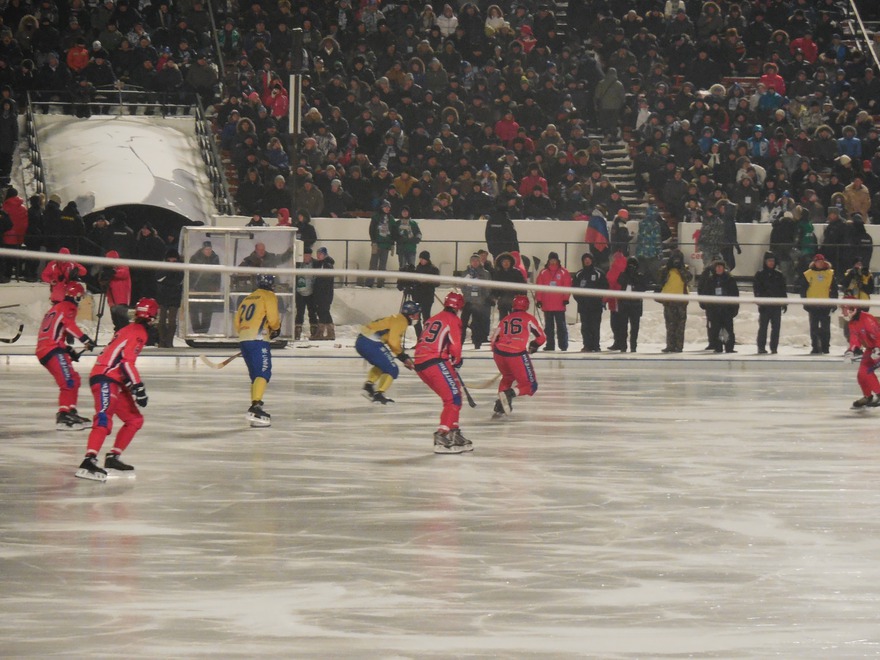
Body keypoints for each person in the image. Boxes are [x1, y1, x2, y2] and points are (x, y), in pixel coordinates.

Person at [75, 297, 157, 481]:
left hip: (111, 378)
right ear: (151, 317)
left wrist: (131, 387)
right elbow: (127, 363)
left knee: (134, 419)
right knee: (104, 418)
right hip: (105, 378)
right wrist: (138, 387)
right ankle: (88, 460)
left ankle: (113, 457)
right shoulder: (139, 332)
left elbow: (119, 361)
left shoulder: (128, 329)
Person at [414, 291, 472, 454]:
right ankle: (443, 434)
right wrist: (457, 359)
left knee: (454, 396)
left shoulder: (433, 319)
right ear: (459, 307)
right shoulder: (453, 320)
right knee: (453, 398)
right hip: (435, 362)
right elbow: (455, 344)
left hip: (421, 363)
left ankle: (453, 431)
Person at [36, 282, 96, 431]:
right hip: (52, 349)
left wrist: (68, 349)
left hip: (48, 349)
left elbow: (54, 332)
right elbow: (69, 325)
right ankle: (64, 414)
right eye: (80, 297)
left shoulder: (56, 308)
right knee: (68, 381)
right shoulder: (68, 307)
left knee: (74, 379)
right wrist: (85, 339)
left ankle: (70, 410)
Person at [234, 274, 282, 427]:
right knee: (263, 372)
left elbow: (237, 322)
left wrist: (246, 335)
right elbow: (273, 319)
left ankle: (255, 408)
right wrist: (275, 329)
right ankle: (256, 407)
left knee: (255, 376)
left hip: (244, 339)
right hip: (259, 339)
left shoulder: (248, 298)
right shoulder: (268, 296)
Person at [490, 294, 546, 419]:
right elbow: (541, 337)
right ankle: (509, 394)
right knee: (530, 385)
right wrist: (534, 345)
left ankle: (500, 404)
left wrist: (498, 352)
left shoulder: (506, 318)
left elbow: (494, 339)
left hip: (499, 353)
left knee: (508, 376)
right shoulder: (529, 318)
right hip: (516, 353)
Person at [356, 300, 421, 405]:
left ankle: (368, 386)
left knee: (382, 364)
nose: (418, 317)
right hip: (370, 342)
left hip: (361, 340)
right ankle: (379, 394)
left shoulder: (396, 318)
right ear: (411, 315)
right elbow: (393, 342)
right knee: (392, 368)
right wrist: (403, 357)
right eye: (417, 314)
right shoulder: (401, 321)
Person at [842, 299, 880, 408]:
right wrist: (851, 351)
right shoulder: (852, 323)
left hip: (877, 349)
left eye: (844, 309)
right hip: (871, 350)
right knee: (861, 375)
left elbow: (878, 335)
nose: (843, 312)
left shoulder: (867, 319)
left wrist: (878, 349)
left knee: (866, 372)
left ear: (853, 308)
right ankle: (868, 397)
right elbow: (855, 339)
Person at [698, 256, 740, 353]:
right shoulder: (710, 280)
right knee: (715, 329)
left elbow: (735, 295)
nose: (719, 269)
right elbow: (705, 293)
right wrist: (707, 306)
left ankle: (729, 347)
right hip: (714, 310)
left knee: (729, 329)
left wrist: (734, 308)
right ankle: (717, 347)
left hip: (727, 309)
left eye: (721, 267)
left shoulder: (730, 279)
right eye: (717, 267)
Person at [801, 253, 837, 354]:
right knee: (814, 327)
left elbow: (834, 289)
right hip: (813, 305)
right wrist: (805, 303)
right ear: (814, 263)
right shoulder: (808, 274)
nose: (819, 264)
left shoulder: (830, 274)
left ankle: (825, 347)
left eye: (821, 261)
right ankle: (815, 347)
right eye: (817, 262)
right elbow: (803, 289)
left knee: (826, 328)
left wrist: (834, 303)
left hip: (826, 305)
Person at [535, 251, 572, 351]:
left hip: (559, 304)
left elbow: (567, 286)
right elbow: (539, 287)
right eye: (551, 259)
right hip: (547, 305)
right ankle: (550, 345)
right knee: (548, 327)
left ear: (557, 260)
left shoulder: (564, 272)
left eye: (554, 259)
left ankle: (563, 345)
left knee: (561, 326)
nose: (553, 261)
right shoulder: (543, 272)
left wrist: (565, 298)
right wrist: (539, 299)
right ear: (549, 260)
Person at [753, 251, 788, 354]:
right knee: (763, 327)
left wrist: (784, 302)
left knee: (776, 328)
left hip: (776, 305)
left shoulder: (779, 275)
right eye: (769, 261)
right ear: (765, 261)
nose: (771, 263)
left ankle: (774, 347)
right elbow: (756, 290)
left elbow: (783, 290)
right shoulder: (760, 274)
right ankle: (761, 347)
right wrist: (759, 301)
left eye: (773, 260)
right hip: (765, 306)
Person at [659, 249, 693, 353]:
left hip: (681, 301)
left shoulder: (685, 269)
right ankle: (670, 345)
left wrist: (681, 269)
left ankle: (679, 346)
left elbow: (688, 278)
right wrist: (668, 268)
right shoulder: (666, 270)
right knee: (670, 325)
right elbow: (660, 280)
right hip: (669, 301)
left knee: (680, 326)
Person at [573, 252, 607, 352]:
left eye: (589, 259)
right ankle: (587, 345)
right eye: (585, 260)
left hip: (596, 306)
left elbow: (605, 287)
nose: (587, 261)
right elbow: (574, 289)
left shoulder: (599, 273)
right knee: (585, 327)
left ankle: (596, 346)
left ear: (592, 261)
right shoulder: (579, 274)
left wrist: (599, 299)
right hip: (583, 306)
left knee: (595, 326)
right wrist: (580, 300)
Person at [615, 257, 649, 352]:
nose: (631, 267)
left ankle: (633, 346)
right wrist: (628, 276)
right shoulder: (623, 274)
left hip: (635, 305)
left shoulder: (640, 276)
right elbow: (619, 281)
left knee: (635, 327)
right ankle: (623, 346)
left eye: (633, 265)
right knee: (623, 326)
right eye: (630, 265)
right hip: (624, 304)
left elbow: (643, 287)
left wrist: (635, 280)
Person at [460, 252, 492, 349]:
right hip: (468, 302)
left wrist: (482, 297)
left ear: (480, 262)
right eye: (473, 261)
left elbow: (488, 287)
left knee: (477, 323)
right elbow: (462, 286)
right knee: (463, 322)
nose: (475, 263)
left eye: (477, 261)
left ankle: (477, 342)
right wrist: (466, 295)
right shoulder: (465, 273)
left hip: (479, 303)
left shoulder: (485, 273)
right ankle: (460, 341)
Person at [189, 240, 221, 334]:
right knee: (194, 309)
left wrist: (216, 286)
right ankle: (196, 329)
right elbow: (190, 274)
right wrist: (190, 286)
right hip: (196, 287)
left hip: (209, 287)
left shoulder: (215, 258)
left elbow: (217, 273)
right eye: (206, 249)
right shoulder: (195, 258)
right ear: (203, 249)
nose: (208, 251)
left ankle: (204, 330)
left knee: (207, 310)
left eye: (210, 249)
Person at [155, 248, 183, 348]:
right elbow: (158, 278)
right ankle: (162, 341)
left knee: (172, 320)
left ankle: (169, 341)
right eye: (170, 259)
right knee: (162, 320)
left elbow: (178, 280)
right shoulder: (163, 267)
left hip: (174, 296)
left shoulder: (180, 268)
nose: (171, 261)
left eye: (174, 260)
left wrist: (167, 278)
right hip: (164, 296)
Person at [99, 249, 132, 331]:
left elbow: (123, 274)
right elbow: (102, 281)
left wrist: (112, 272)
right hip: (112, 299)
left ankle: (125, 338)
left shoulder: (122, 265)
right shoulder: (108, 269)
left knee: (122, 321)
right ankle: (118, 337)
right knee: (116, 321)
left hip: (121, 299)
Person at [366, 198, 396, 288]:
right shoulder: (376, 217)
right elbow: (371, 230)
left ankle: (380, 284)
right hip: (377, 244)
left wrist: (392, 243)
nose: (387, 209)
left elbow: (394, 231)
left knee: (383, 266)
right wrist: (373, 241)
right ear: (381, 207)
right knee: (373, 265)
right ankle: (369, 283)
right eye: (385, 207)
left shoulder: (391, 219)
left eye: (388, 207)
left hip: (386, 246)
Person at [410, 250, 440, 337]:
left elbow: (437, 283)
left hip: (427, 297)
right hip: (417, 296)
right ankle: (419, 338)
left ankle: (427, 337)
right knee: (416, 318)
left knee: (426, 318)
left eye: (423, 259)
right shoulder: (417, 269)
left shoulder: (433, 269)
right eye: (421, 259)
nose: (422, 261)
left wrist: (426, 281)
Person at [492, 252, 527, 320]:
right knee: (503, 320)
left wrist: (522, 297)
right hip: (502, 302)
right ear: (501, 263)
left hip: (515, 302)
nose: (506, 263)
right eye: (504, 262)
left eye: (508, 261)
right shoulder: (497, 274)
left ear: (511, 262)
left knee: (514, 319)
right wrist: (494, 296)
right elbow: (494, 288)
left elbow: (523, 286)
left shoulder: (517, 272)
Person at [294, 247, 318, 340]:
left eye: (307, 256)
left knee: (312, 312)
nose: (306, 258)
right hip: (300, 292)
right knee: (300, 312)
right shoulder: (298, 264)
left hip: (312, 292)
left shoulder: (315, 264)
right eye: (304, 256)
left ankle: (314, 331)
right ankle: (297, 331)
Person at [313, 246, 335, 340]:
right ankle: (330, 332)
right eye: (317, 253)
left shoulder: (327, 265)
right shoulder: (320, 264)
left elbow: (325, 280)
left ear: (324, 254)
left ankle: (320, 332)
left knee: (323, 311)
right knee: (324, 311)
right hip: (321, 292)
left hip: (325, 293)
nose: (318, 255)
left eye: (320, 254)